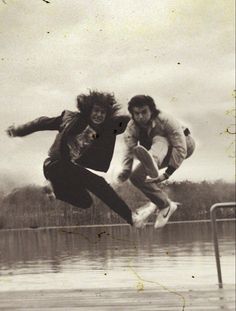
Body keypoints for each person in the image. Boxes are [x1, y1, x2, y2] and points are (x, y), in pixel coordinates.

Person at [6, 91, 147, 227]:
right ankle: (131, 218)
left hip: (67, 172)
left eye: (102, 113)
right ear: (88, 110)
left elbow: (131, 122)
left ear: (107, 115)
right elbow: (42, 122)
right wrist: (19, 130)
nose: (98, 115)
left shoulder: (108, 127)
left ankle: (53, 190)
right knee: (99, 184)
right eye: (96, 111)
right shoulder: (70, 118)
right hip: (54, 165)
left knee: (85, 202)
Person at [118, 95, 195, 229]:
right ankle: (164, 204)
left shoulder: (166, 120)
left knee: (160, 139)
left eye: (144, 112)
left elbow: (180, 147)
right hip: (157, 152)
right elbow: (129, 150)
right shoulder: (131, 128)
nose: (140, 117)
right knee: (136, 177)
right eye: (136, 113)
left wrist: (167, 173)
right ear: (132, 114)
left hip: (185, 144)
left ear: (151, 111)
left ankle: (153, 162)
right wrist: (126, 170)